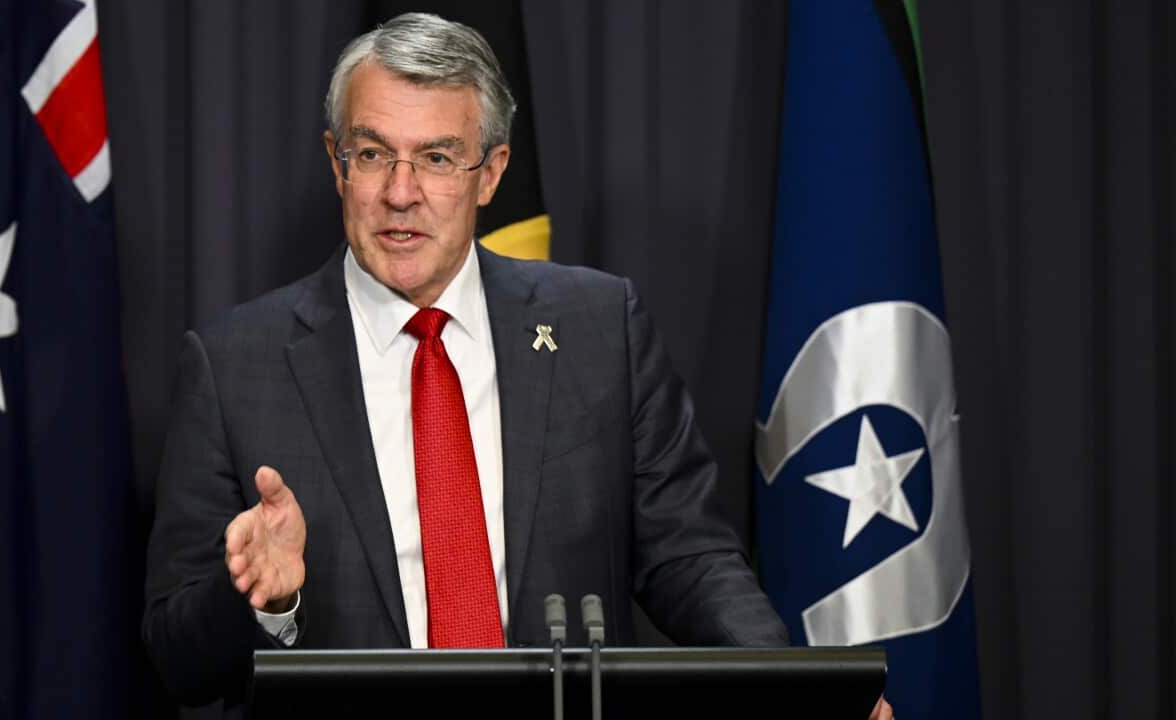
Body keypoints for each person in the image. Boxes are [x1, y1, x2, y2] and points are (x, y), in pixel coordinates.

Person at [142, 12, 891, 720]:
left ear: (491, 172)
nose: (400, 194)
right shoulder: (235, 365)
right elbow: (177, 656)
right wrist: (260, 601)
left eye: (437, 158)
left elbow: (688, 558)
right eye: (373, 155)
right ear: (337, 164)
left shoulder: (600, 328)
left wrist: (793, 695)